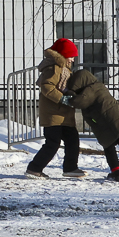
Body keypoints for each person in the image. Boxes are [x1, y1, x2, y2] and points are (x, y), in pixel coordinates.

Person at [26, 38, 88, 178]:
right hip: (53, 114)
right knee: (53, 143)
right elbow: (47, 87)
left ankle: (70, 168)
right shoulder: (54, 68)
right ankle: (34, 168)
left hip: (62, 114)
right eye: (71, 56)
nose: (72, 60)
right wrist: (62, 98)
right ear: (63, 55)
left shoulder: (62, 69)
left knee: (72, 140)